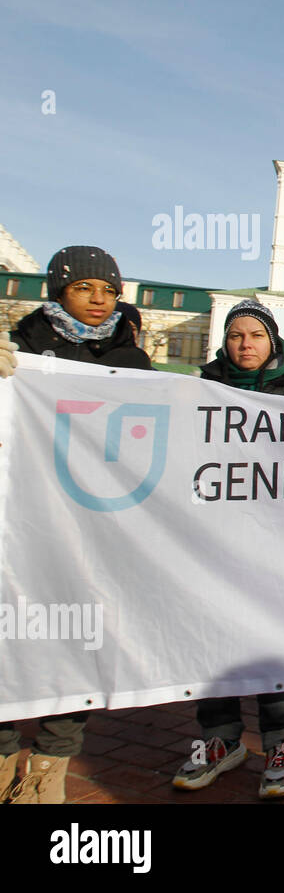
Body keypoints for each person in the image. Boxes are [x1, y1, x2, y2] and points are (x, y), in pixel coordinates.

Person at [1, 245, 151, 803]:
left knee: (76, 635)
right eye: (85, 288)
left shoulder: (131, 360)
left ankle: (49, 766)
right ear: (59, 290)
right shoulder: (22, 347)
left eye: (108, 290)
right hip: (18, 515)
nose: (98, 300)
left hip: (92, 521)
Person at [171, 299, 284, 799]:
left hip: (278, 542)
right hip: (214, 538)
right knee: (213, 638)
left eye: (255, 336)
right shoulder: (201, 388)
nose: (245, 345)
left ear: (272, 342)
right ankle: (220, 740)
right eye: (236, 335)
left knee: (271, 641)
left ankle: (281, 747)